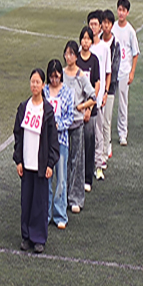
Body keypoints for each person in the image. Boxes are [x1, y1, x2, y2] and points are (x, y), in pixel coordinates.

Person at [14, 69, 59, 254]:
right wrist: (18, 160)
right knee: (26, 201)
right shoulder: (23, 107)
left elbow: (53, 139)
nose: (34, 85)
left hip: (41, 165)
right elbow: (18, 135)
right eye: (32, 82)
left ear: (43, 85)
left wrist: (50, 163)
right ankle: (26, 236)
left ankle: (39, 238)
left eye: (38, 82)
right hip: (26, 163)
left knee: (40, 203)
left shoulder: (47, 110)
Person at [62, 40, 97, 214]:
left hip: (76, 123)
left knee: (76, 160)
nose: (68, 57)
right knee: (63, 161)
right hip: (62, 124)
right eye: (66, 53)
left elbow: (93, 97)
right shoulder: (61, 74)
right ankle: (63, 197)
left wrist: (82, 107)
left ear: (76, 56)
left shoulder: (81, 75)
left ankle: (75, 198)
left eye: (71, 54)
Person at [44, 59, 75, 230]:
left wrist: (58, 125)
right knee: (46, 178)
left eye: (56, 77)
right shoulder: (44, 91)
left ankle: (60, 214)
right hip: (46, 142)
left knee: (61, 179)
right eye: (51, 77)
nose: (54, 80)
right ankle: (46, 214)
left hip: (61, 140)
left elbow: (70, 117)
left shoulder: (67, 92)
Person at [112, 0, 140, 147]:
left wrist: (132, 72)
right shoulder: (112, 28)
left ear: (127, 12)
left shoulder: (130, 31)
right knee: (109, 101)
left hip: (124, 71)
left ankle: (123, 133)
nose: (121, 13)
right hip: (112, 70)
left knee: (123, 103)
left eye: (124, 10)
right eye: (119, 9)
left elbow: (135, 53)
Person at [77, 25, 102, 190]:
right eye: (83, 38)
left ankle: (87, 178)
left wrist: (89, 108)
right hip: (77, 108)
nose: (85, 41)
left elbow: (96, 84)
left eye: (88, 38)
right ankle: (77, 176)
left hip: (90, 108)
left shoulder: (94, 60)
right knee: (76, 144)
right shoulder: (76, 60)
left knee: (89, 141)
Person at [97, 10, 120, 177]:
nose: (105, 26)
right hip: (97, 88)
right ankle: (99, 152)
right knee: (98, 122)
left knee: (106, 121)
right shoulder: (96, 41)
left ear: (112, 25)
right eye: (103, 22)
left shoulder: (115, 44)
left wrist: (106, 88)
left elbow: (114, 67)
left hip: (109, 88)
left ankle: (105, 152)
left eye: (108, 23)